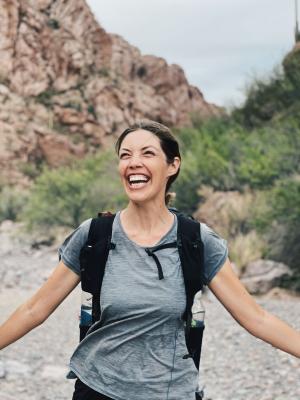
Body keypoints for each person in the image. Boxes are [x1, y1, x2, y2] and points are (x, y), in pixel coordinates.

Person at [0, 120, 299, 400]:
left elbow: (256, 318)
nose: (133, 162)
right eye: (125, 155)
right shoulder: (94, 235)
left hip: (171, 391)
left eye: (147, 153)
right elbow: (34, 309)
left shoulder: (196, 240)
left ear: (172, 165)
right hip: (98, 388)